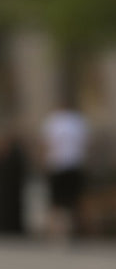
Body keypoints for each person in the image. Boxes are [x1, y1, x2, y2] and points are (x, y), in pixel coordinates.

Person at [39, 97, 90, 240]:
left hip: (57, 164)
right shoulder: (78, 121)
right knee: (75, 199)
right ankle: (77, 229)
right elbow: (86, 144)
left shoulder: (52, 121)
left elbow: (45, 144)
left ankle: (55, 232)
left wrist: (43, 162)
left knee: (55, 201)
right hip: (74, 164)